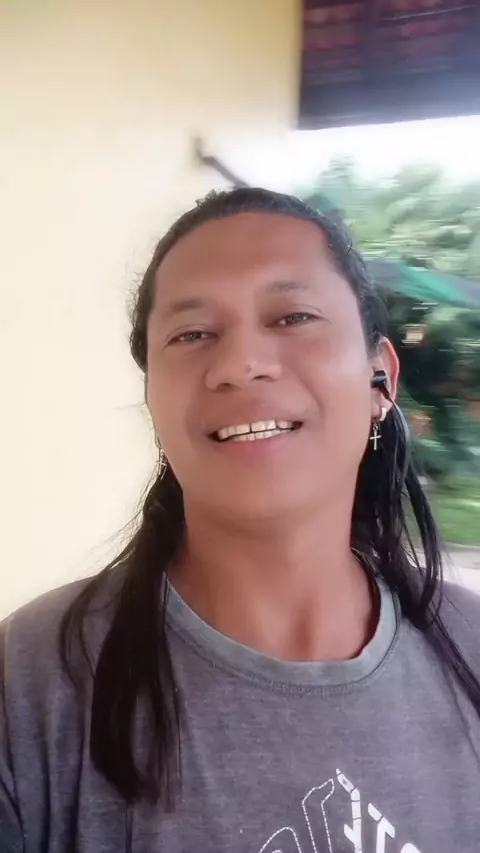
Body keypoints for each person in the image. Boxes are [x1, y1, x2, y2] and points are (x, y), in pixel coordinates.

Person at [2, 187, 480, 853]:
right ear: (152, 397)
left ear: (381, 376)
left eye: (293, 316)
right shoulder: (29, 686)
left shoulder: (471, 647)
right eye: (192, 334)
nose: (238, 364)